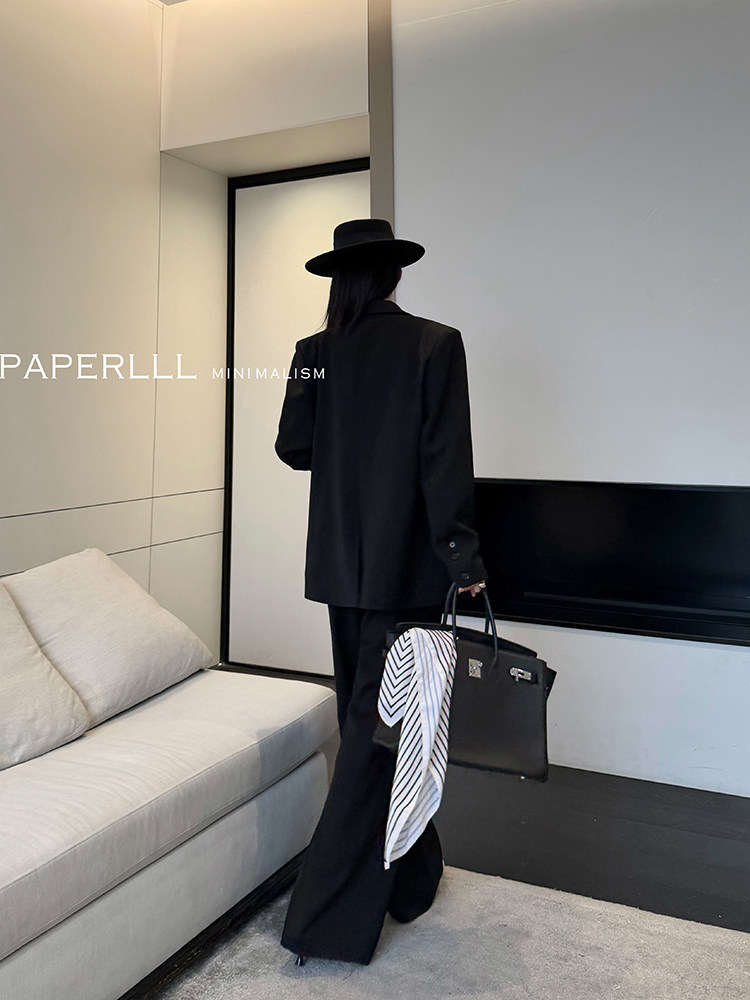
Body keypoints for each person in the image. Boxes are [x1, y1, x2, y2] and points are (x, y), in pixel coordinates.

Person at [274, 217, 487, 966]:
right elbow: (445, 463)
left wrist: (349, 442)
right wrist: (463, 558)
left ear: (339, 279)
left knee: (371, 724)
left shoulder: (314, 353)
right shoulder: (435, 343)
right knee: (384, 732)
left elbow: (293, 446)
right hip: (408, 573)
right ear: (394, 275)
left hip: (341, 569)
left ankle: (411, 878)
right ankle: (324, 922)